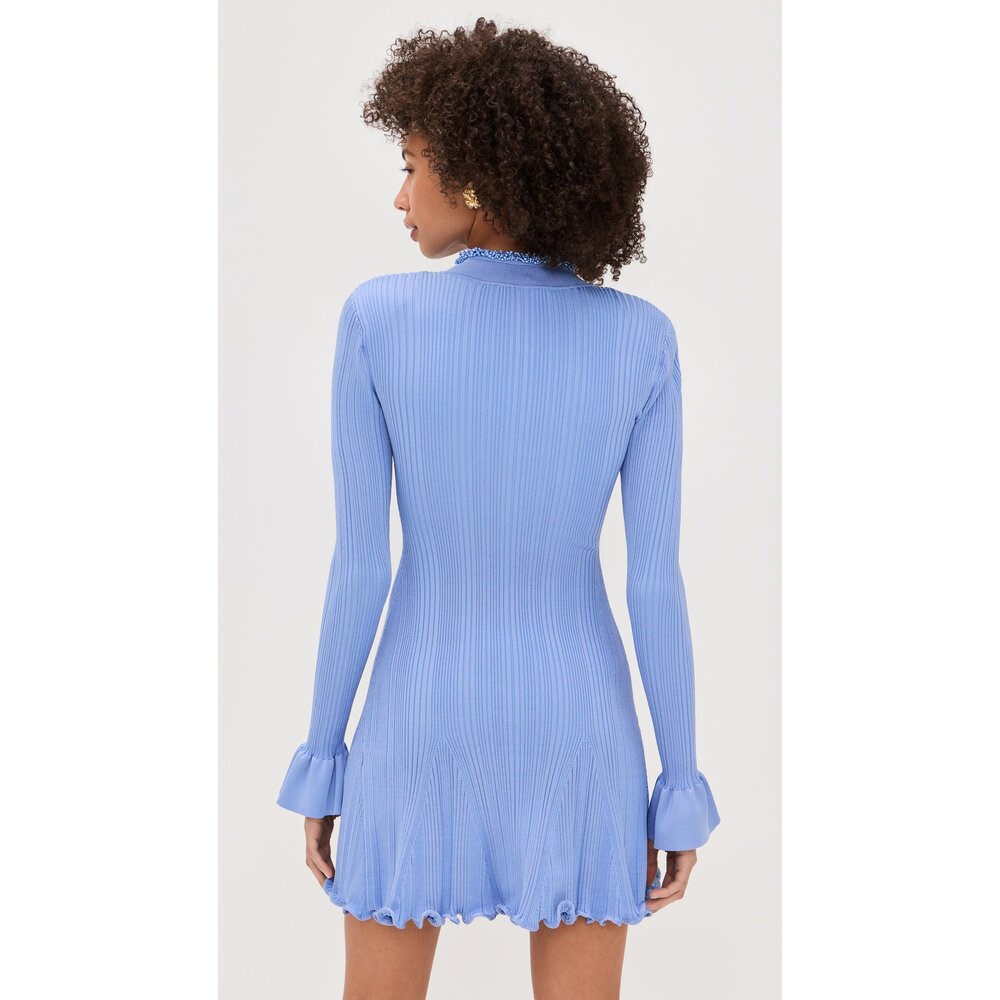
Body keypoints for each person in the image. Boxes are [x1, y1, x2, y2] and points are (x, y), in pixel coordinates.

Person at [276, 17, 721, 1000]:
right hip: (581, 731)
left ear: (473, 177)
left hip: (416, 719)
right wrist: (679, 785)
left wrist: (323, 759)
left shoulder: (377, 319)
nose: (400, 195)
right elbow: (654, 580)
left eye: (411, 165)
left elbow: (361, 564)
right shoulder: (642, 339)